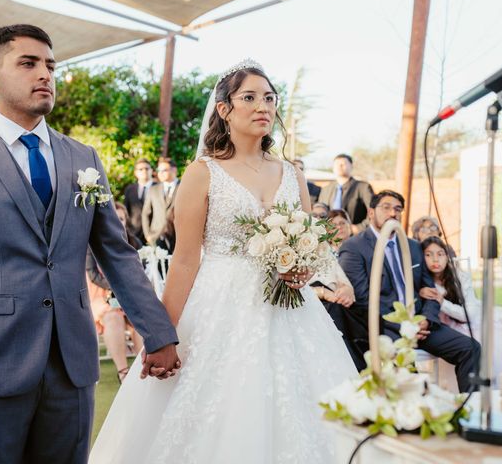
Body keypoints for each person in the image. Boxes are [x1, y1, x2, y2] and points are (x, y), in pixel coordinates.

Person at [0, 24, 179, 464]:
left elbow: (117, 254)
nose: (45, 75)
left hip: (72, 369)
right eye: (29, 63)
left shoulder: (83, 158)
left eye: (51, 66)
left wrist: (158, 333)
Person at [90, 60, 356, 463]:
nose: (262, 105)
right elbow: (184, 262)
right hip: (220, 307)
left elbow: (311, 245)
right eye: (248, 97)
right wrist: (164, 334)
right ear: (224, 109)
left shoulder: (290, 173)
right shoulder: (202, 173)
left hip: (292, 314)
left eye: (268, 97)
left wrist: (302, 268)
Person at [338, 190, 480, 390]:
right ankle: (419, 416)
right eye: (386, 207)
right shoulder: (354, 247)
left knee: (471, 349)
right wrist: (404, 325)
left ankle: (471, 408)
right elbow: (363, 300)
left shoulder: (413, 247)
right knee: (410, 377)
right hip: (385, 327)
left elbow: (429, 291)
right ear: (371, 213)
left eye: (397, 209)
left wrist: (425, 320)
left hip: (421, 324)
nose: (392, 213)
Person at [421, 236, 502, 377]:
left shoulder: (460, 276)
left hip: (469, 322)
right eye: (428, 255)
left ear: (447, 257)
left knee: (493, 344)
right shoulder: (423, 282)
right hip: (444, 329)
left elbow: (469, 314)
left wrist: (442, 302)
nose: (435, 260)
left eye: (440, 254)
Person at [87, 202, 144, 384]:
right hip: (101, 295)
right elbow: (93, 275)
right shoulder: (91, 243)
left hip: (128, 295)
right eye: (114, 218)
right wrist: (117, 286)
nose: (117, 222)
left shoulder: (134, 242)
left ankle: (143, 367)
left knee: (140, 317)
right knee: (113, 316)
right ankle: (124, 372)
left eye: (121, 219)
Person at [318, 154, 374, 233]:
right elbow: (320, 212)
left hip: (355, 236)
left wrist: (359, 228)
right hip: (329, 236)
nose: (340, 166)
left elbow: (373, 212)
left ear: (351, 166)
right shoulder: (326, 189)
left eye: (343, 164)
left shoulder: (363, 187)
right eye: (337, 164)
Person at [142, 158, 179, 245]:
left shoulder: (183, 187)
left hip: (177, 236)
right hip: (155, 236)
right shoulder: (153, 189)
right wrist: (147, 235)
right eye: (159, 170)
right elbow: (145, 213)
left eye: (164, 170)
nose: (160, 173)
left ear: (174, 170)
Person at [122, 158, 154, 242]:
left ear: (151, 170)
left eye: (147, 168)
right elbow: (126, 210)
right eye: (141, 169)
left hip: (154, 233)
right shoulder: (129, 189)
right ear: (135, 173)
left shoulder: (159, 187)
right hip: (134, 233)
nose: (144, 171)